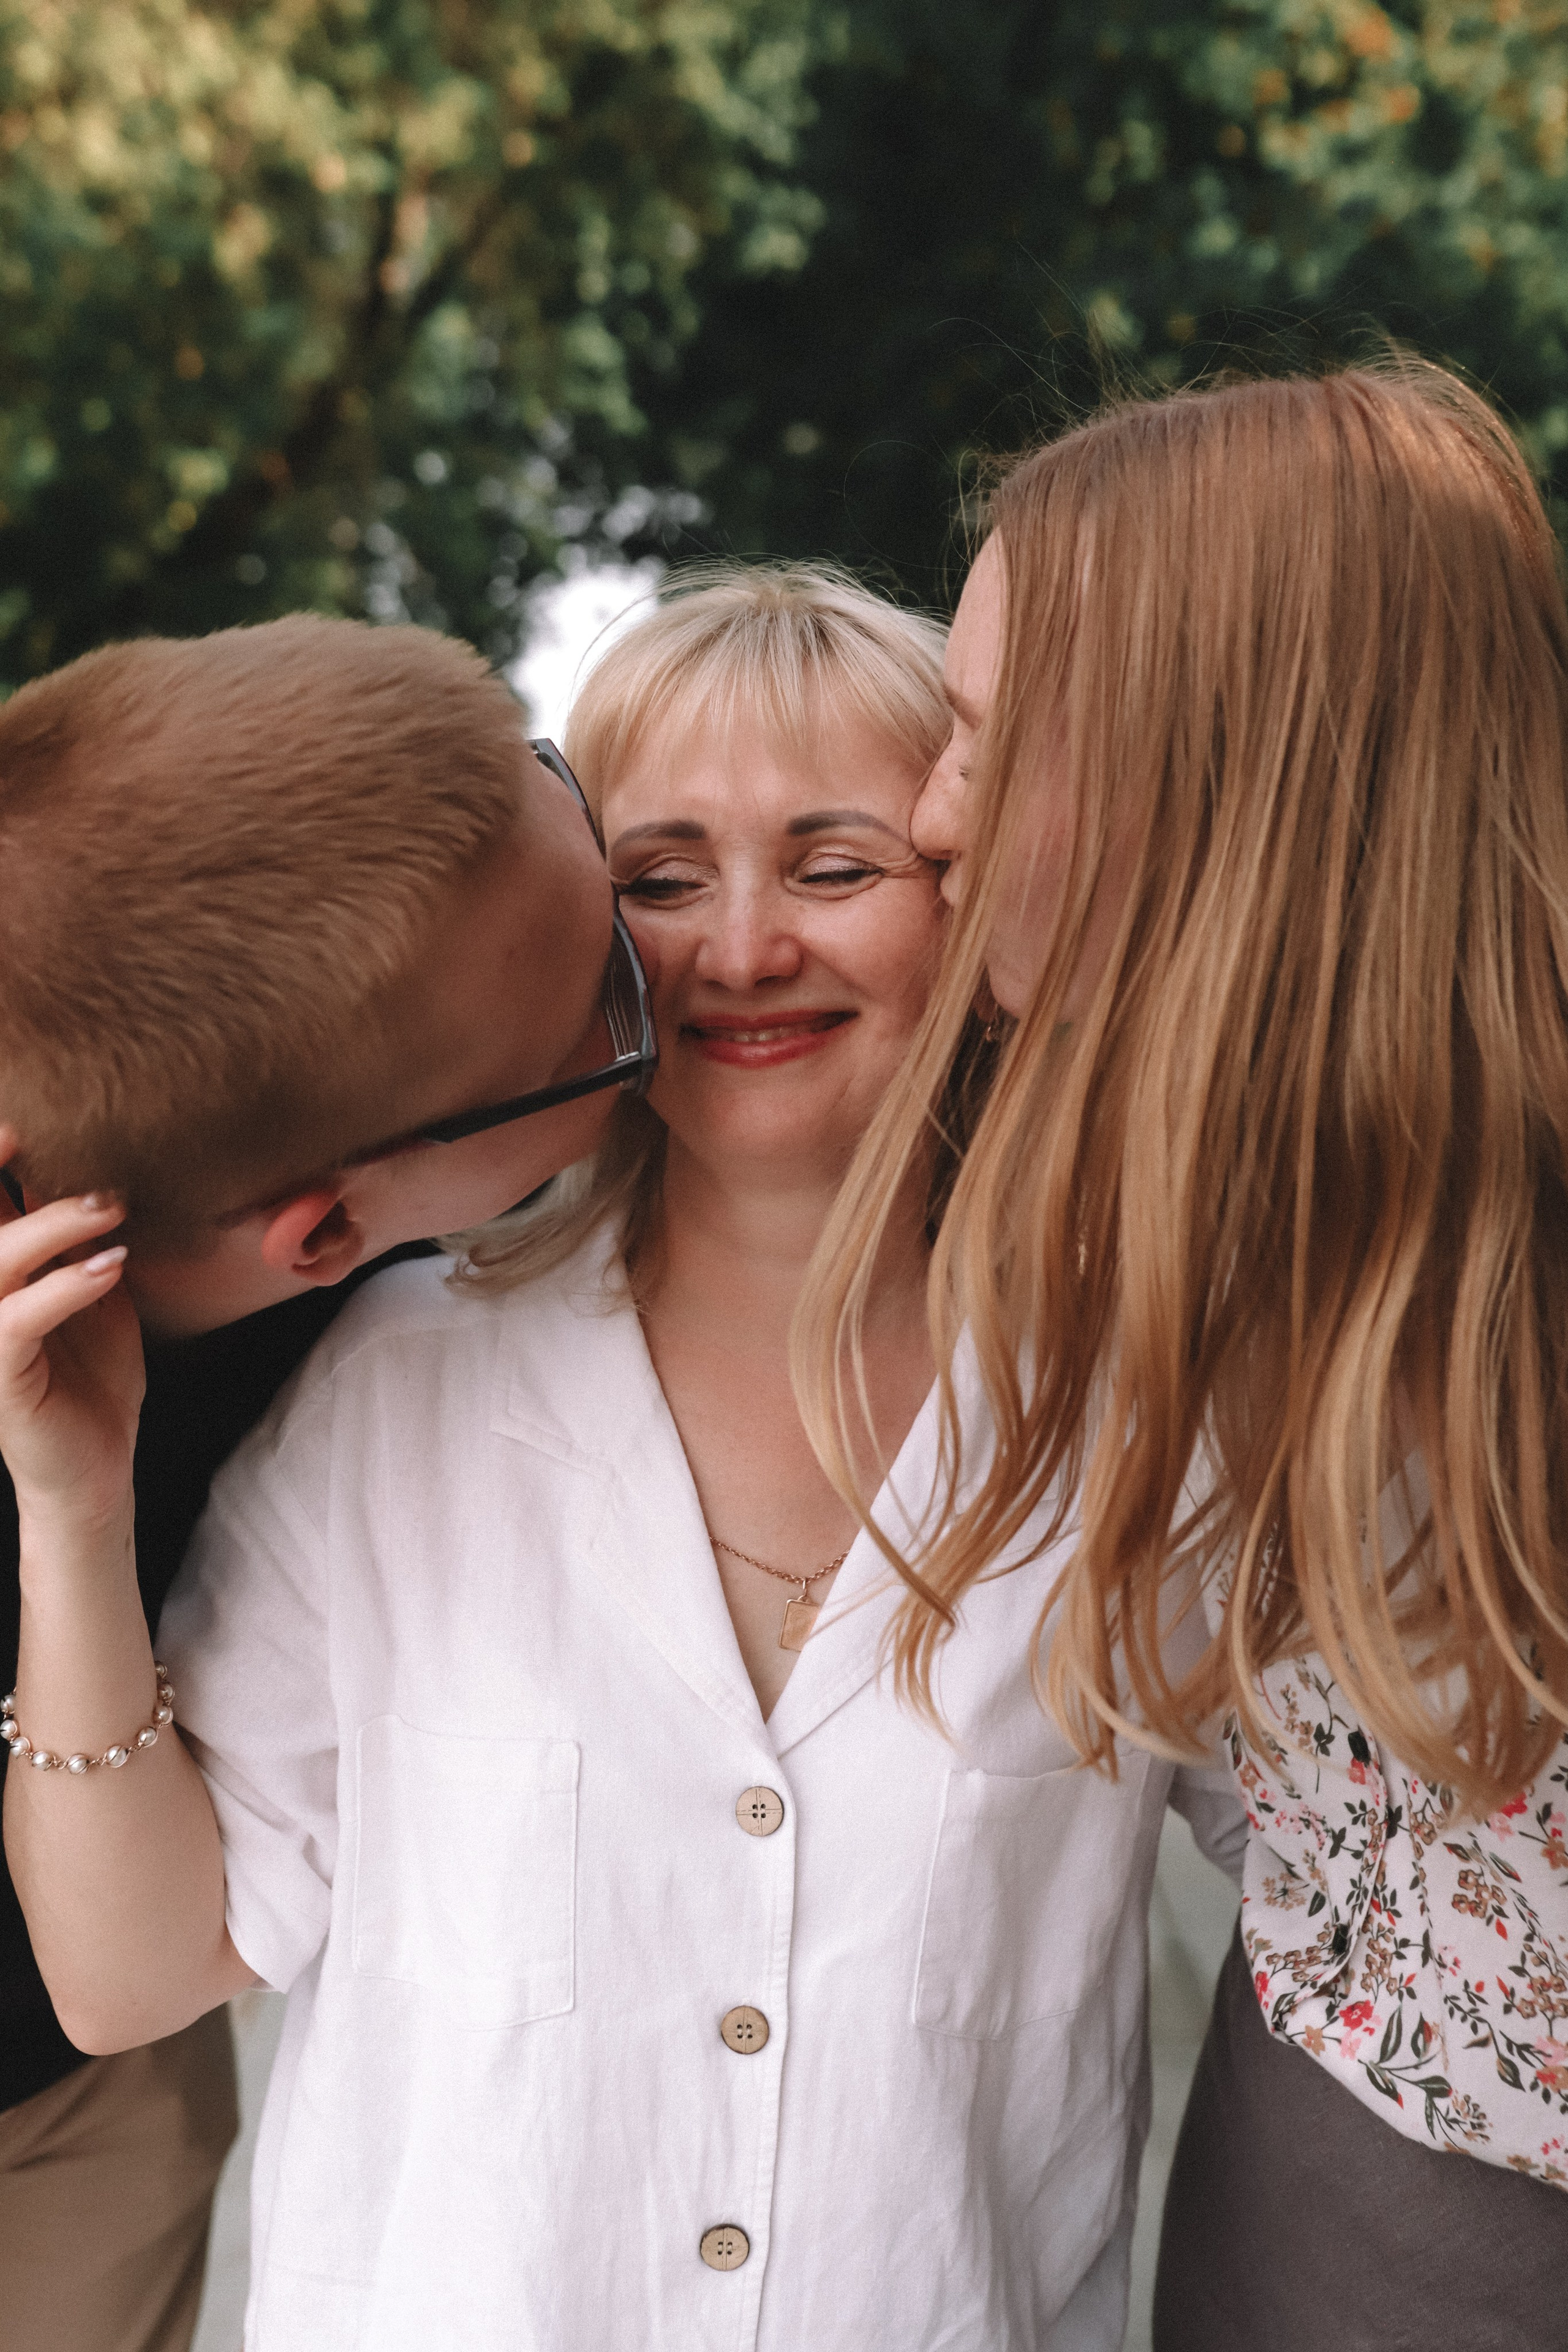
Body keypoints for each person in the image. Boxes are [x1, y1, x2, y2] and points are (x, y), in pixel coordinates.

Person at [1, 566, 1243, 2351]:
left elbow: (1355, 1889)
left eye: (837, 866)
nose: (740, 947)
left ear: (975, 907)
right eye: (657, 881)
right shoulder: (387, 1392)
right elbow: (132, 1974)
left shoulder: (1145, 1417)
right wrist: (68, 1508)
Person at [796, 362, 1568, 2346]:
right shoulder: (1199, 1200)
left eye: (985, 739)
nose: (929, 817)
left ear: (1233, 771)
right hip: (1290, 2183)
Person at [0, 611, 631, 2351]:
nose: (679, 955)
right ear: (325, 1229)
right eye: (614, 1015)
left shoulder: (362, 1240)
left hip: (82, 2093)